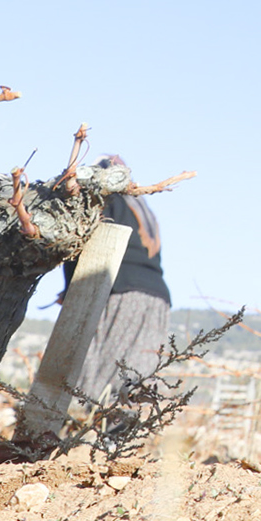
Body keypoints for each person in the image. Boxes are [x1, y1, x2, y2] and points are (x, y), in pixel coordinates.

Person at [64, 156, 173, 408]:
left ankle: (84, 423)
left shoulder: (105, 199)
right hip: (157, 297)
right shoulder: (141, 207)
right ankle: (116, 427)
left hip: (120, 291)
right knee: (136, 376)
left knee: (99, 373)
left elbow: (80, 244)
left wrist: (71, 291)